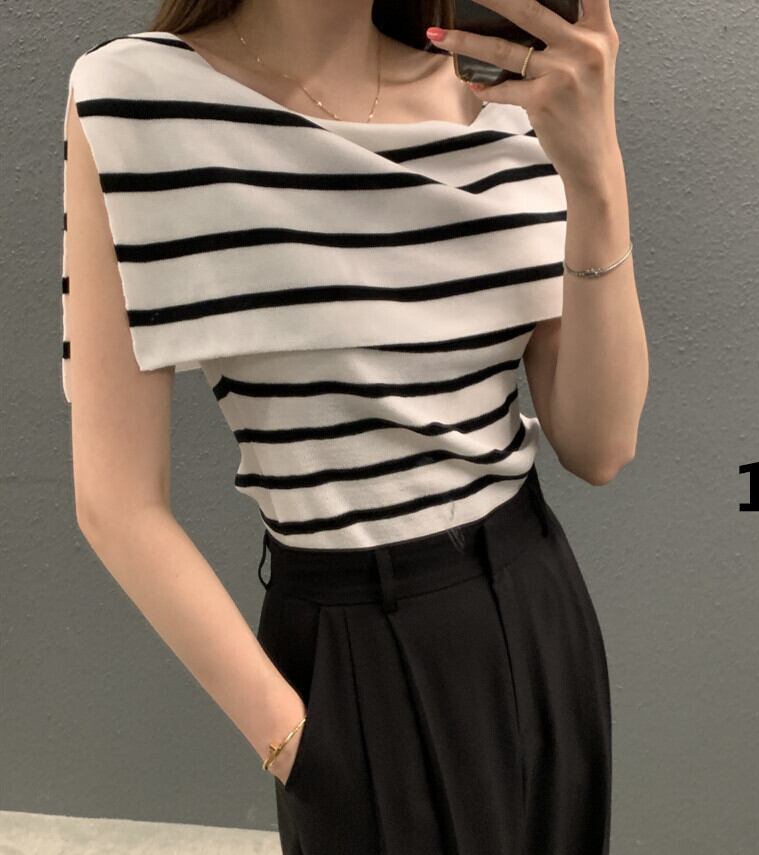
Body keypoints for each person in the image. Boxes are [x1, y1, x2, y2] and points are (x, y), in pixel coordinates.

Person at [62, 1, 647, 852]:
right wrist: (295, 743)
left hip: (537, 610)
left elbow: (599, 444)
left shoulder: (509, 91)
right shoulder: (135, 98)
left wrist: (596, 173)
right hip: (350, 647)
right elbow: (115, 503)